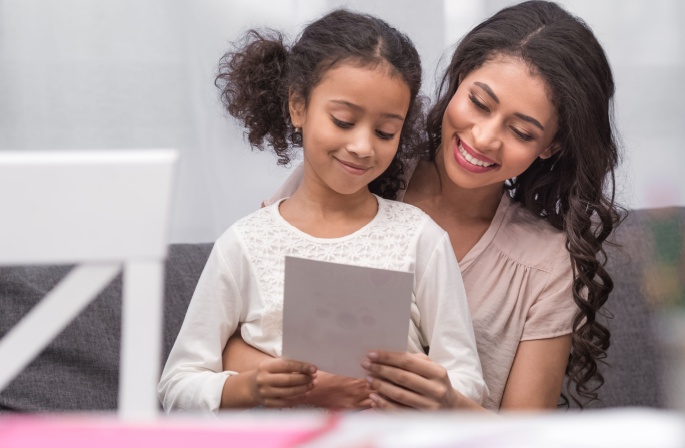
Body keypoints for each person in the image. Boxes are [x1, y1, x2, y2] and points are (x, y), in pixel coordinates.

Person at [224, 0, 622, 411]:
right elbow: (227, 346)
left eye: (521, 131)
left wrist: (449, 405)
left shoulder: (545, 266)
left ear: (550, 146)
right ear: (459, 79)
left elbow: (525, 435)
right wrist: (309, 385)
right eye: (479, 103)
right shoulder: (355, 170)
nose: (484, 138)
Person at [158, 9, 487, 413]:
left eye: (385, 132)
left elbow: (468, 382)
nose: (363, 147)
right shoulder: (244, 245)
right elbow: (176, 386)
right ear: (298, 106)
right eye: (344, 121)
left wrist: (424, 393)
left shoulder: (421, 240)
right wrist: (251, 388)